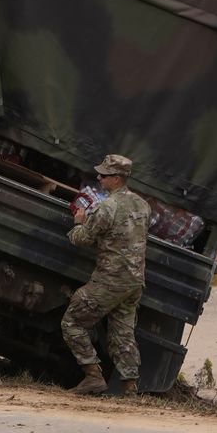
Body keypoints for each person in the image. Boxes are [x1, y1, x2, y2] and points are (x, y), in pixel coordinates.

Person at [61, 153, 150, 396]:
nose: (99, 178)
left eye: (104, 175)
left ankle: (93, 376)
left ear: (117, 179)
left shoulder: (107, 207)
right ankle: (130, 388)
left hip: (110, 280)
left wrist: (79, 222)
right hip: (134, 281)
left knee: (72, 322)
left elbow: (83, 239)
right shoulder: (143, 205)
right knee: (122, 332)